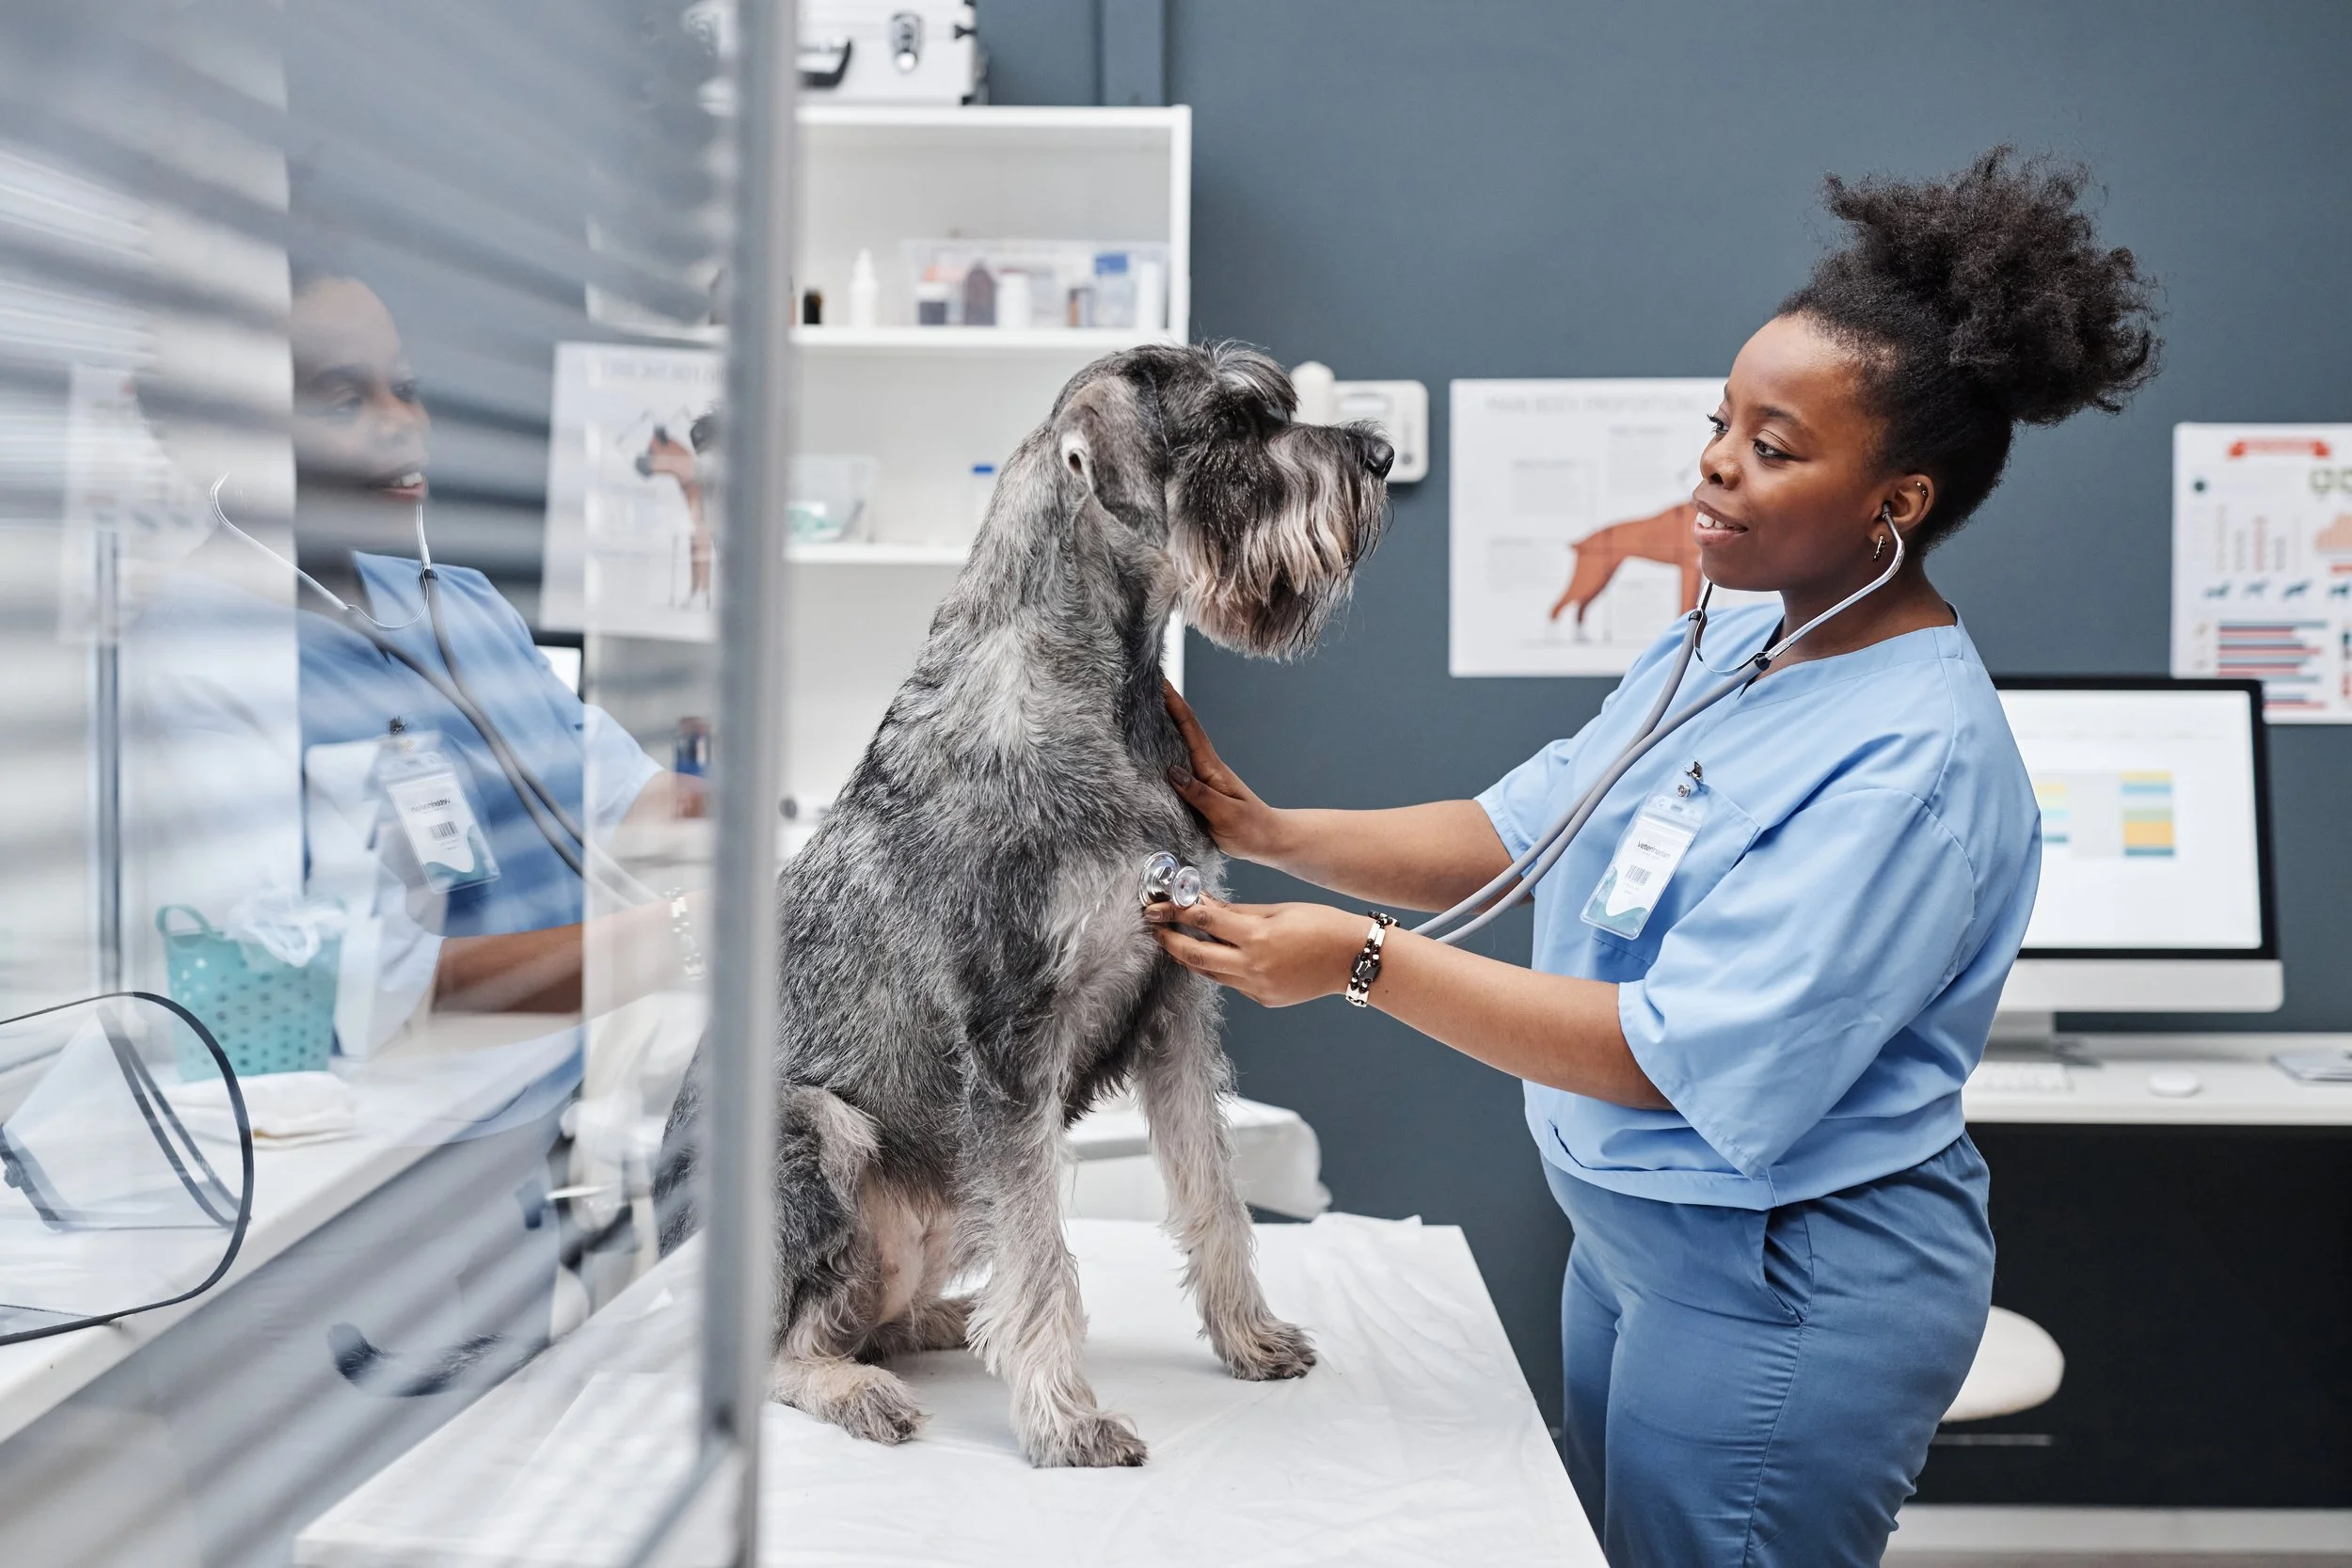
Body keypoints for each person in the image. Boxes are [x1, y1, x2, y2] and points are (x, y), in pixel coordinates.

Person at [1147, 150, 2159, 1566]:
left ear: (1900, 501)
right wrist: (1268, 829)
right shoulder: (1743, 629)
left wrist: (1360, 963)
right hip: (1632, 1244)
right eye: (1721, 421)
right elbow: (1535, 820)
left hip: (1785, 1282)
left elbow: (1667, 1051)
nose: (1716, 465)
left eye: (1777, 445)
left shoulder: (1914, 762)